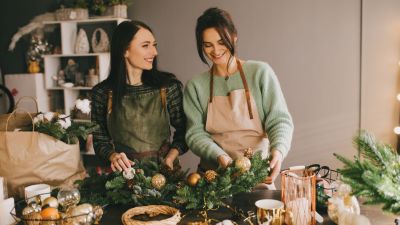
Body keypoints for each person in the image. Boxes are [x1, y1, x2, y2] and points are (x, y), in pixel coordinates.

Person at [184, 8, 293, 187]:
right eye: (208, 45)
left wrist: (278, 151)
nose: (216, 50)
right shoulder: (196, 86)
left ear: (234, 36)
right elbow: (194, 133)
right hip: (212, 178)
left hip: (256, 176)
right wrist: (221, 158)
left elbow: (279, 119)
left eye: (221, 41)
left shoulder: (260, 73)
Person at [92, 21, 187, 172]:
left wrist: (170, 158)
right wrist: (113, 156)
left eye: (154, 45)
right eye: (145, 45)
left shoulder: (168, 87)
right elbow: (100, 140)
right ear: (125, 50)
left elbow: (185, 131)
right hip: (124, 178)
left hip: (165, 175)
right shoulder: (102, 93)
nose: (154, 52)